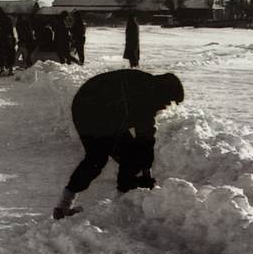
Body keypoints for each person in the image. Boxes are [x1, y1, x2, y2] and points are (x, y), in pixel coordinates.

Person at [53, 70, 185, 219]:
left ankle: (66, 206)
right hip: (92, 110)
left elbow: (144, 137)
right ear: (163, 91)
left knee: (125, 156)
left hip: (99, 110)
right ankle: (120, 206)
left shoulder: (147, 87)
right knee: (99, 157)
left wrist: (144, 168)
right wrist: (145, 171)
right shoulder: (146, 93)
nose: (166, 106)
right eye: (169, 100)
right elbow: (145, 135)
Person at [0, 6, 16, 76]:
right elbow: (10, 29)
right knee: (9, 53)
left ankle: (3, 69)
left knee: (1, 54)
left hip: (3, 39)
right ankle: (10, 69)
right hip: (8, 38)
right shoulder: (6, 18)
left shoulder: (1, 18)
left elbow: (3, 29)